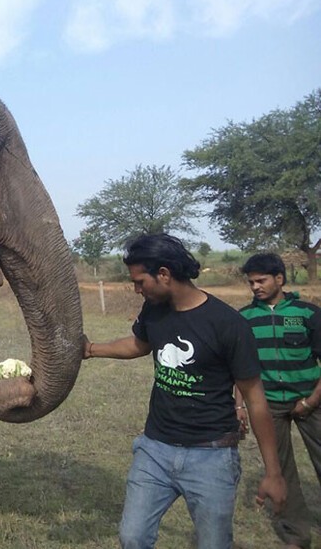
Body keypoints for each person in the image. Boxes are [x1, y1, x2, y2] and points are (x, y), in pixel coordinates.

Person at [83, 233, 286, 549]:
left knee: (213, 544)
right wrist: (92, 349)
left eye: (140, 281)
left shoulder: (228, 324)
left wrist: (273, 472)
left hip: (212, 455)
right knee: (132, 536)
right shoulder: (154, 310)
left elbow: (256, 400)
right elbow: (139, 343)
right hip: (155, 449)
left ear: (164, 274)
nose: (136, 289)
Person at [236, 253, 321, 549]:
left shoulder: (308, 313)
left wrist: (311, 401)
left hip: (311, 401)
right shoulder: (244, 318)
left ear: (280, 279)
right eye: (251, 282)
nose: (256, 287)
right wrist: (239, 405)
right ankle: (296, 534)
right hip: (269, 405)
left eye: (261, 280)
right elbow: (240, 369)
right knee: (281, 469)